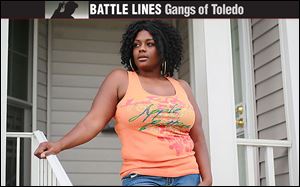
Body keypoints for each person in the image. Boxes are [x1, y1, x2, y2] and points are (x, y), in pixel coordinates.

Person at [34, 20, 213, 186]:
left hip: (187, 175)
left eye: (149, 44)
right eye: (136, 45)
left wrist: (207, 178)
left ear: (164, 48)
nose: (141, 49)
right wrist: (59, 145)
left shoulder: (182, 87)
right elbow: (93, 122)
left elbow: (197, 137)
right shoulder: (120, 80)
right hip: (142, 176)